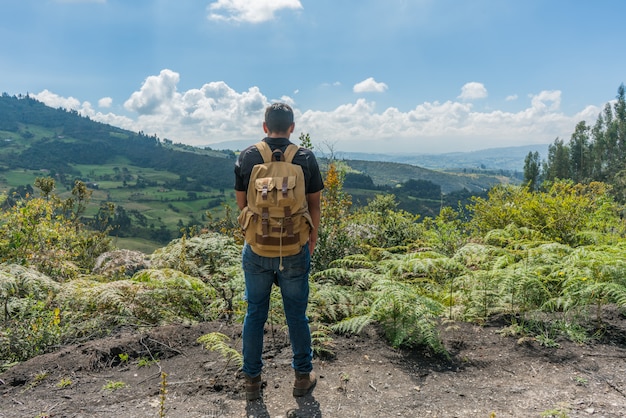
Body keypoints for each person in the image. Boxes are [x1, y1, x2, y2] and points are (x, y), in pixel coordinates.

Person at [234, 103, 324, 401]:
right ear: (292, 127)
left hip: (257, 247)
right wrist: (311, 237)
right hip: (295, 245)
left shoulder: (247, 157)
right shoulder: (305, 157)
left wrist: (258, 232)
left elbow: (242, 204)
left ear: (264, 126)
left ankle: (251, 382)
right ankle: (301, 377)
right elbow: (314, 204)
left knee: (255, 313)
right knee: (296, 315)